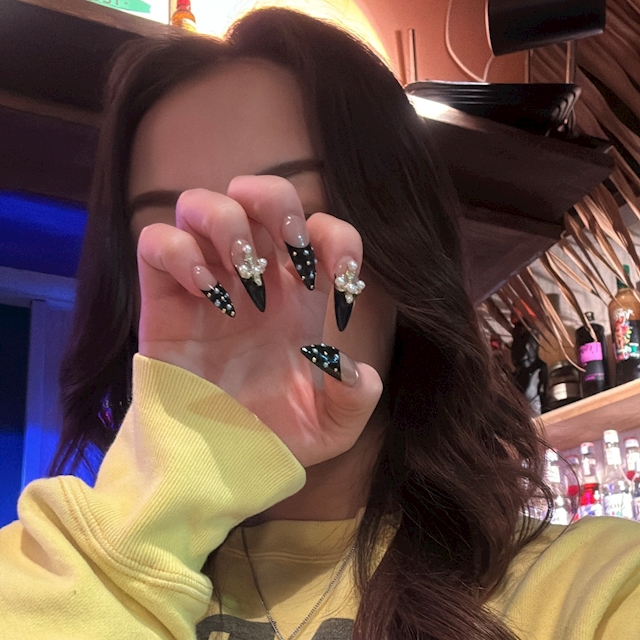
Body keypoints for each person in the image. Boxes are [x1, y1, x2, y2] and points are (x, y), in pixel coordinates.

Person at [1, 7, 639, 640]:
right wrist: (161, 498)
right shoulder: (45, 573)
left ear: (401, 247)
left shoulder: (595, 588)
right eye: (178, 242)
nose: (234, 280)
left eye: (291, 224)